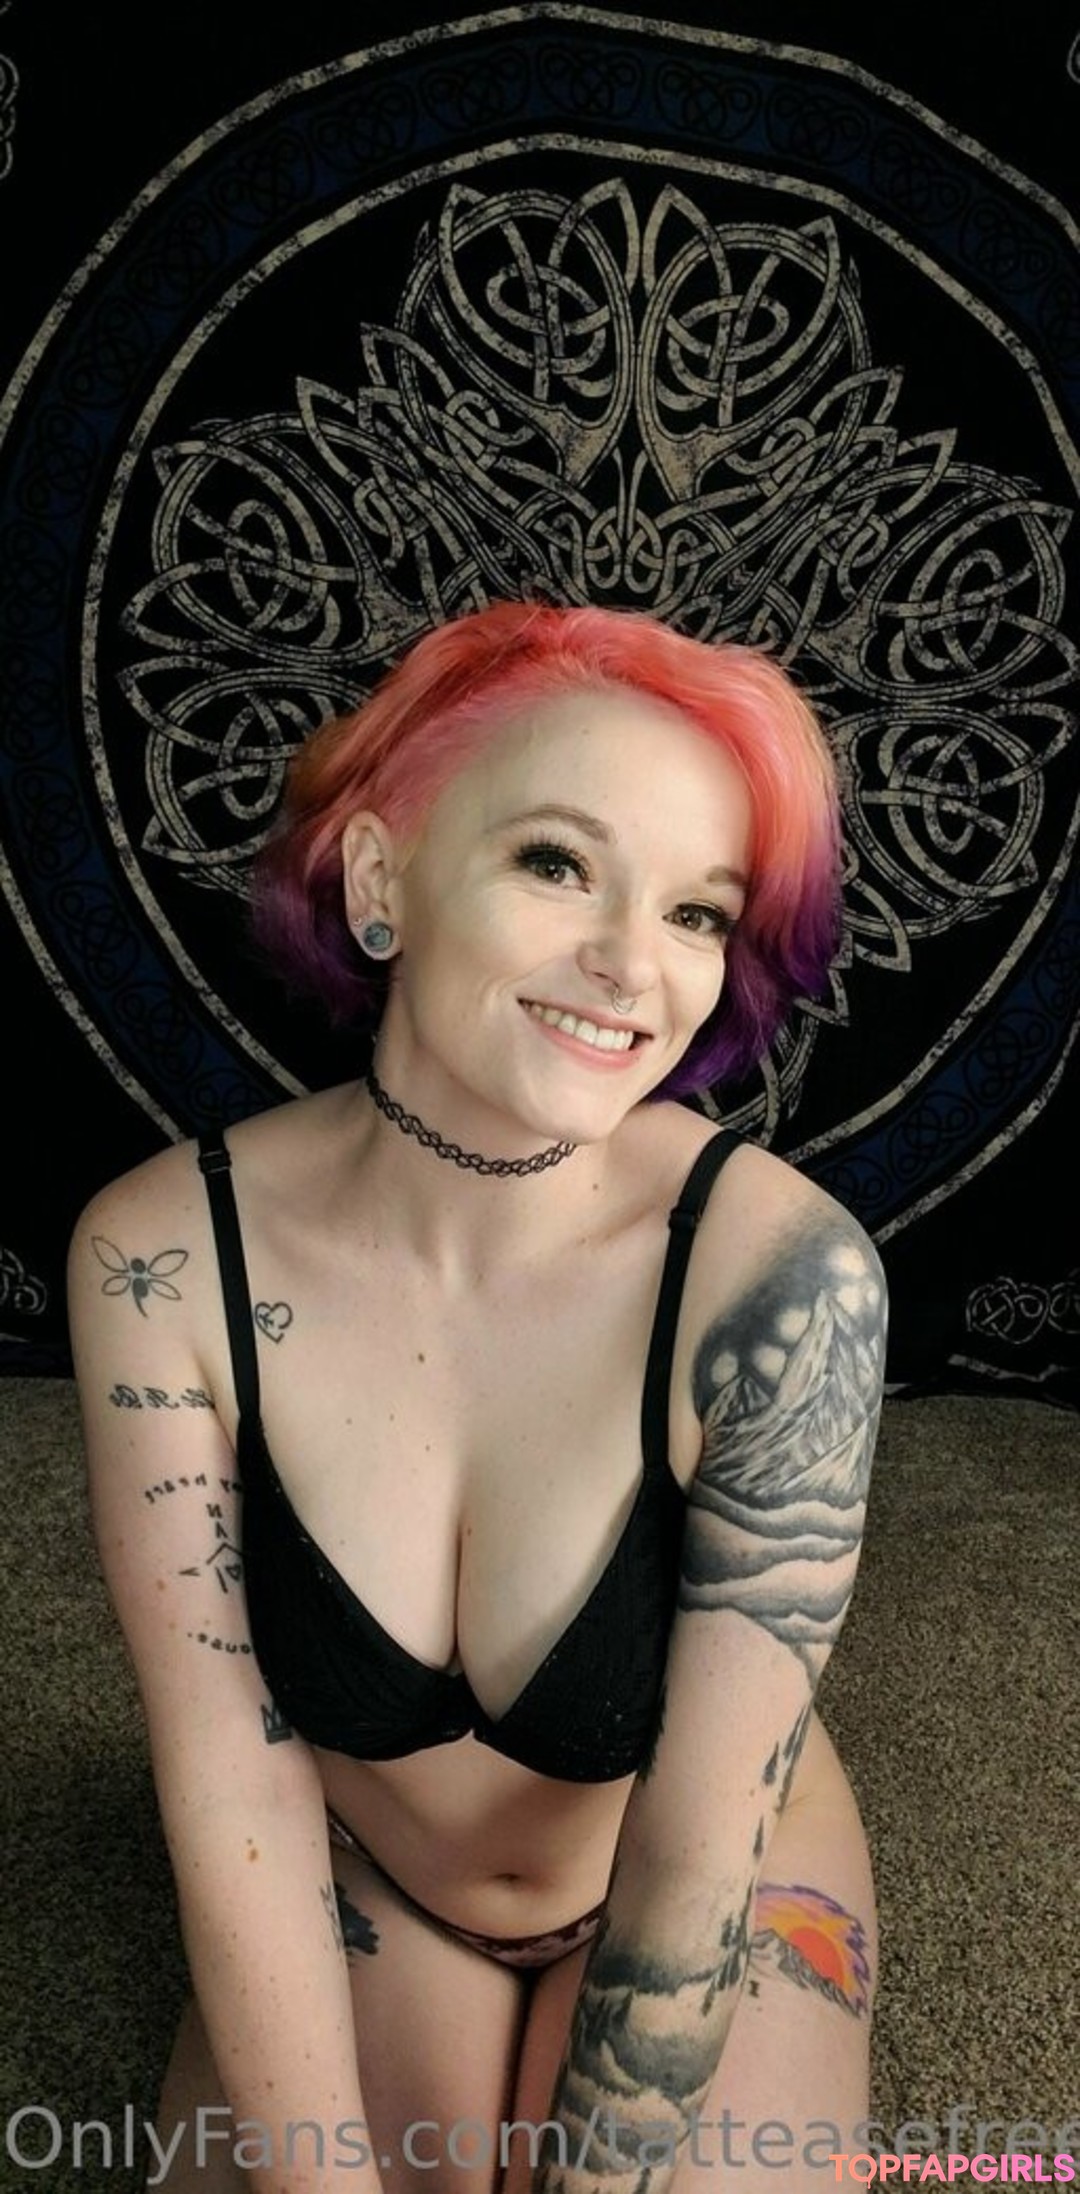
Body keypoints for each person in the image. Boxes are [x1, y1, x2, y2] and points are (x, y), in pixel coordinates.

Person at [68, 600, 887, 2194]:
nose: (633, 964)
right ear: (382, 879)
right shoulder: (166, 1262)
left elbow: (694, 1847)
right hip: (371, 1877)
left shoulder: (781, 1281)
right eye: (558, 862)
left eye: (698, 911)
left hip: (694, 1884)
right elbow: (230, 1775)